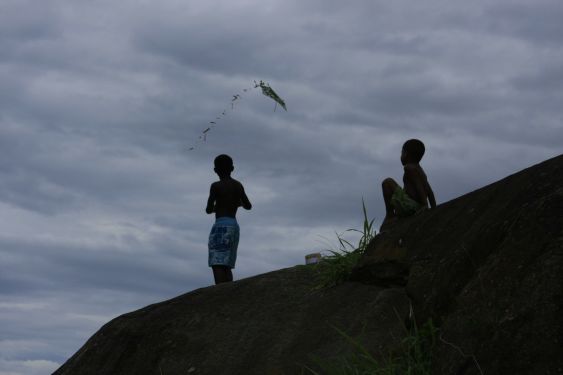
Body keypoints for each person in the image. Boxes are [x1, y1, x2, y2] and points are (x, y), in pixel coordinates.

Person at [205, 154, 252, 284]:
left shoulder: (215, 186)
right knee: (227, 263)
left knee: (217, 262)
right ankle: (229, 292)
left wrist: (217, 206)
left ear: (215, 170)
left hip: (220, 226)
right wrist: (236, 203)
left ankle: (220, 294)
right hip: (234, 226)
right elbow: (248, 206)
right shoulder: (238, 185)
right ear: (232, 168)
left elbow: (208, 209)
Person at [380, 139, 436, 231]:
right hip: (415, 206)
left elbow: (419, 187)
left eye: (401, 153)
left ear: (406, 154)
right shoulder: (420, 170)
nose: (401, 156)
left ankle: (390, 215)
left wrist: (425, 205)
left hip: (412, 207)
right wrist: (433, 209)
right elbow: (429, 191)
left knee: (387, 182)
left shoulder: (409, 168)